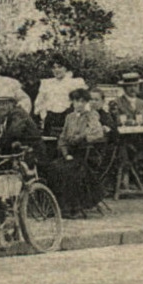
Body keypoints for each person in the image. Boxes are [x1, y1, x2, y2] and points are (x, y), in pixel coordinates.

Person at [53, 87, 106, 217]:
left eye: (83, 101)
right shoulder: (69, 117)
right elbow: (63, 138)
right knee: (55, 167)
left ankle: (74, 208)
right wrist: (66, 153)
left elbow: (98, 133)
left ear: (87, 102)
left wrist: (82, 136)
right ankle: (59, 206)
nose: (80, 104)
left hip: (87, 154)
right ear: (72, 102)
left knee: (71, 170)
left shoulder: (91, 115)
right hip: (71, 154)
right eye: (77, 101)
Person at [34, 59, 87, 136]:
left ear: (66, 68)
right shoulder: (47, 83)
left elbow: (83, 101)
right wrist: (43, 115)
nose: (56, 70)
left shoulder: (75, 82)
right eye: (54, 68)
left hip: (69, 117)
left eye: (59, 67)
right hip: (50, 118)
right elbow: (39, 102)